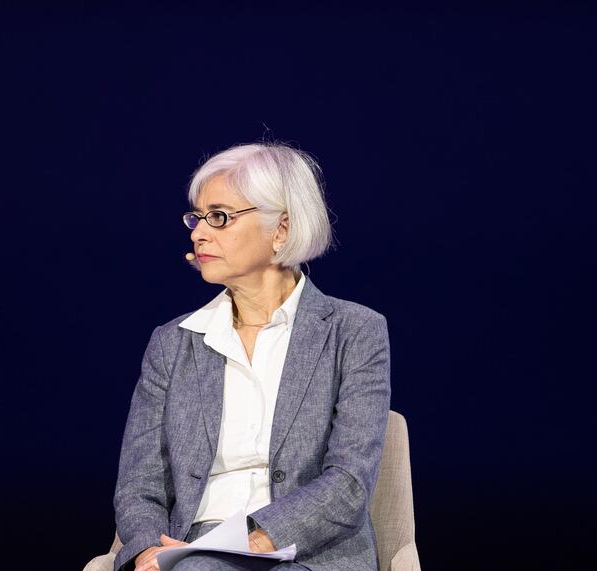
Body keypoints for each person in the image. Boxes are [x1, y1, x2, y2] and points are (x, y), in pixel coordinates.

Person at [113, 142, 391, 571]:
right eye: (197, 218)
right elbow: (139, 484)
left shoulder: (354, 331)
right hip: (193, 548)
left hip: (310, 552)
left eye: (219, 217)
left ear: (280, 230)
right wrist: (150, 549)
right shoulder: (173, 343)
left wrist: (255, 540)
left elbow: (350, 481)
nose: (198, 233)